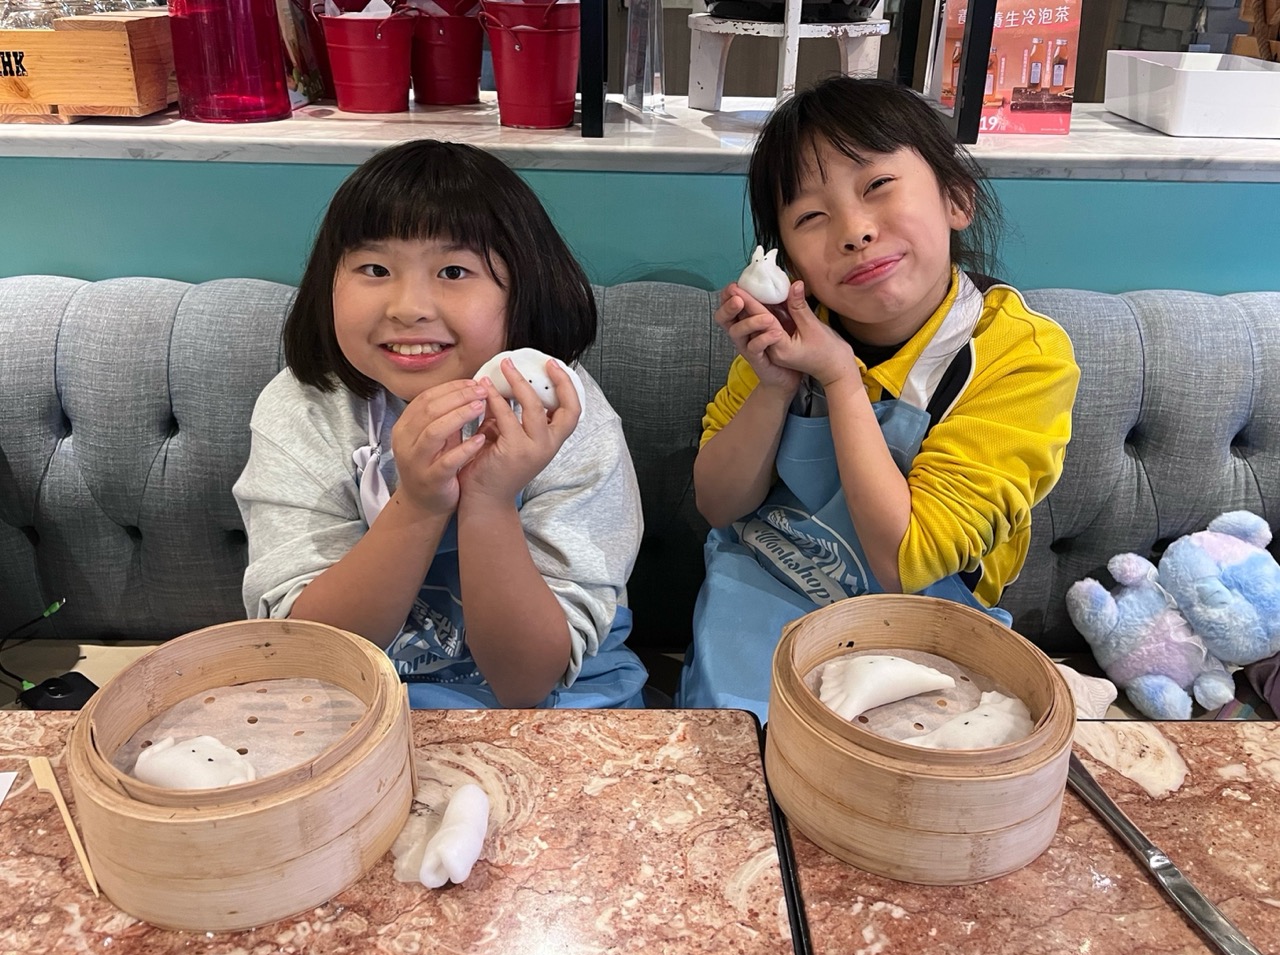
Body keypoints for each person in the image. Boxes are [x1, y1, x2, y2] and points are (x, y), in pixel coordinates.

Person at [676, 77, 1080, 720]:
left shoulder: (1020, 357)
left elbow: (905, 560)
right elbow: (718, 504)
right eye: (811, 217)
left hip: (921, 628)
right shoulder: (788, 332)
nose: (854, 232)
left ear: (956, 198)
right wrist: (775, 386)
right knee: (740, 754)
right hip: (761, 599)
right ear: (788, 263)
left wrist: (839, 379)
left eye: (879, 185)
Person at [233, 140, 647, 709]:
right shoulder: (308, 407)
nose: (409, 307)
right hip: (359, 701)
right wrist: (419, 505)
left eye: (454, 271)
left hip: (558, 705)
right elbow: (313, 657)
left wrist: (489, 501)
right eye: (375, 269)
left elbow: (528, 681)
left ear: (524, 288)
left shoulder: (563, 412)